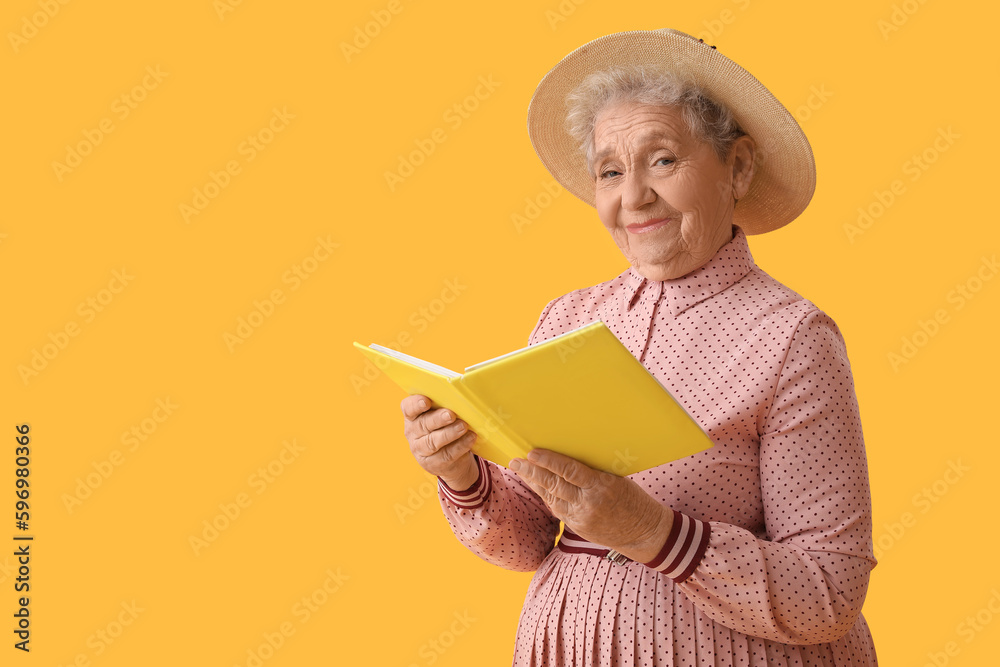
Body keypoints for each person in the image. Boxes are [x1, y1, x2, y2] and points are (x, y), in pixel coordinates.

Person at [400, 29, 876, 666]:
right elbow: (531, 541)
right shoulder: (568, 318)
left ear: (736, 168)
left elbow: (828, 592)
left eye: (662, 161)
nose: (634, 197)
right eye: (610, 171)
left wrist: (652, 532)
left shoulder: (793, 338)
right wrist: (462, 475)